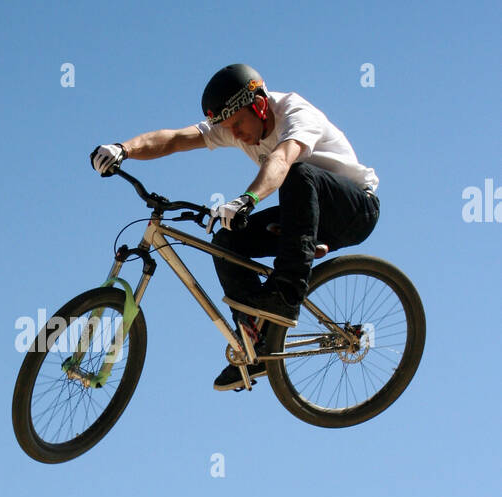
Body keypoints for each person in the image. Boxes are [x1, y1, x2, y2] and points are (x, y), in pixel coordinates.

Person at [92, 63, 380, 392]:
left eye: (239, 124)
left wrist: (247, 199)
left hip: (355, 211)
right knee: (226, 241)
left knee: (297, 174)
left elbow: (282, 159)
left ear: (258, 105)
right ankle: (254, 344)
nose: (237, 134)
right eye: (228, 128)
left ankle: (285, 295)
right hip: (302, 215)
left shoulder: (295, 112)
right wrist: (123, 149)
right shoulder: (235, 125)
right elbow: (174, 139)